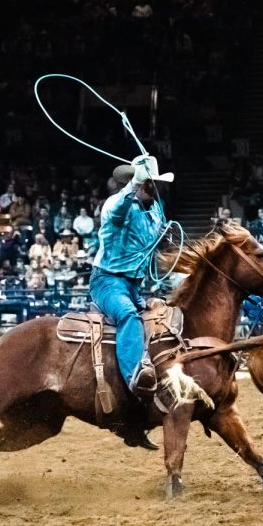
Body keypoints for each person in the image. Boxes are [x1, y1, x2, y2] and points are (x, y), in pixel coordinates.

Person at [90, 155, 174, 411]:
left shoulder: (155, 210)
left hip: (134, 286)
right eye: (152, 184)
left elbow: (154, 240)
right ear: (138, 184)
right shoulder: (117, 206)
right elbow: (116, 211)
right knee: (128, 315)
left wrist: (163, 238)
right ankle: (135, 379)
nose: (159, 189)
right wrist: (134, 184)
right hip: (107, 282)